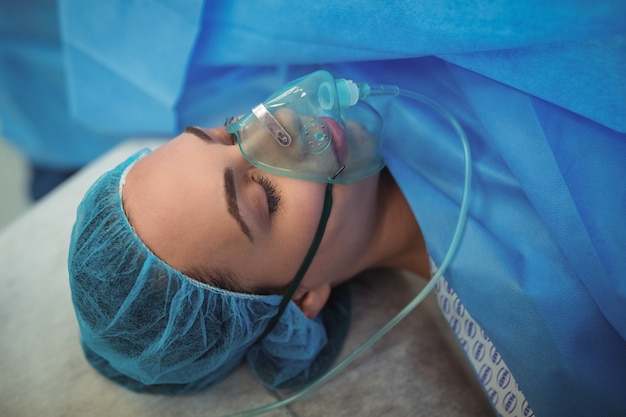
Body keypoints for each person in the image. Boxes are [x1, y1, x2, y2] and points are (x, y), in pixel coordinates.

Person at [66, 2, 626, 416]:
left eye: (228, 131)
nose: (274, 126)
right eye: (265, 197)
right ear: (299, 303)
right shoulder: (551, 325)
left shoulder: (301, 43)